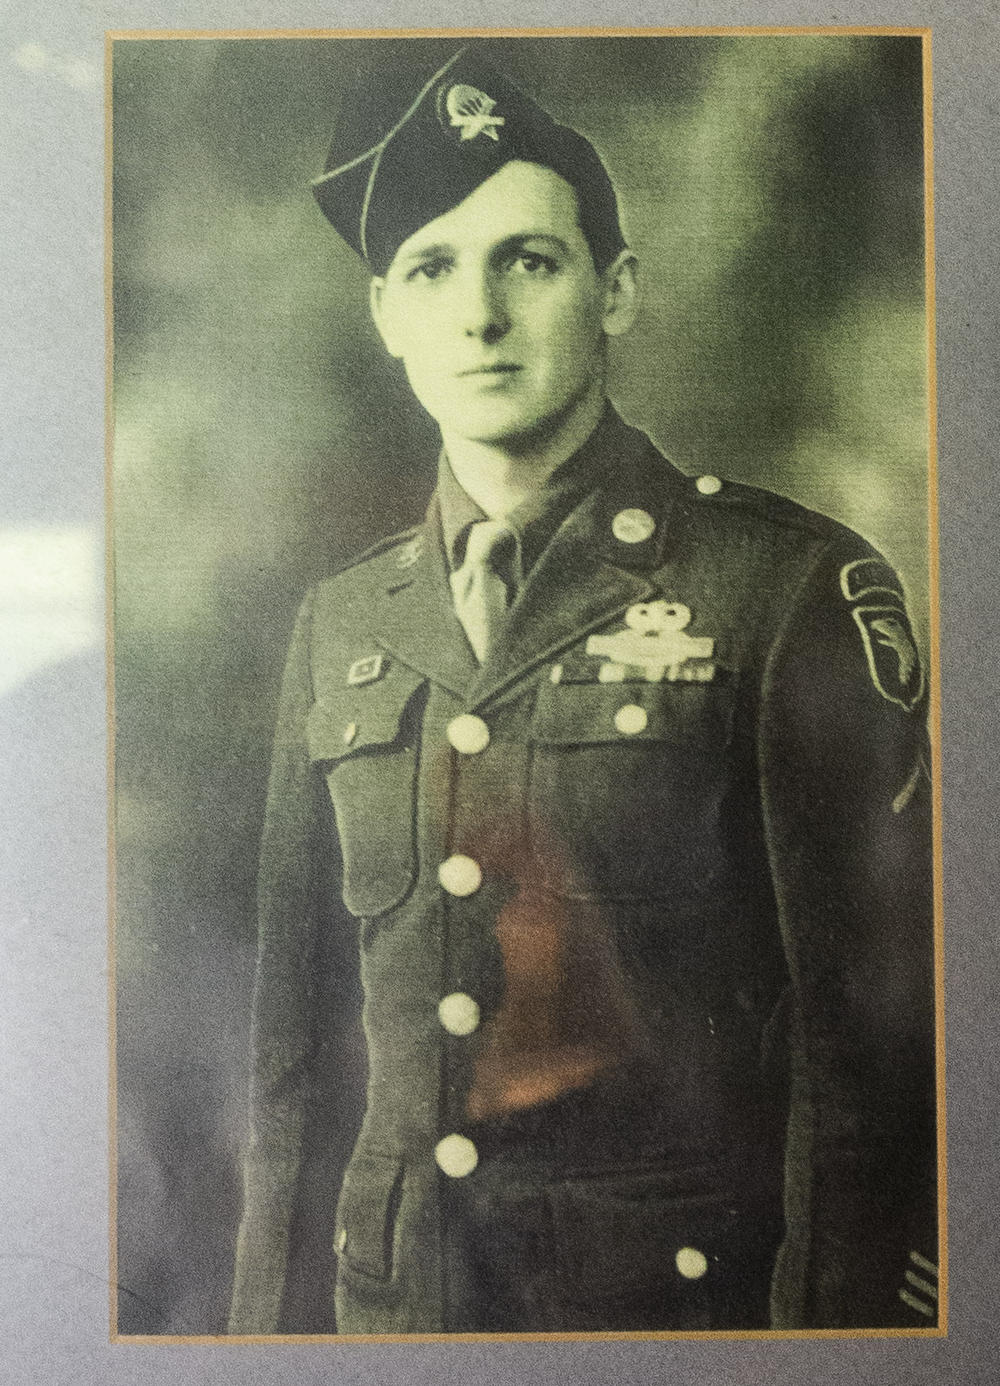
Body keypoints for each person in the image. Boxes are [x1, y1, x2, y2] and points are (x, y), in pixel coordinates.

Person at [228, 45, 939, 1335]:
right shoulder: (342, 623)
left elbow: (869, 1075)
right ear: (385, 316)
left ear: (616, 292)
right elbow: (296, 1074)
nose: (479, 315)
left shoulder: (781, 593)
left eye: (529, 261)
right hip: (391, 1324)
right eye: (432, 269)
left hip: (672, 1332)